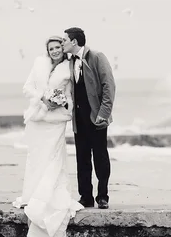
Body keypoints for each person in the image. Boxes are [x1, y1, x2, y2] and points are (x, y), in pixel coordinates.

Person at [12, 36, 84, 237]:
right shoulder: (38, 64)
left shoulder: (69, 66)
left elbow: (70, 94)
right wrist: (42, 97)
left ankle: (50, 195)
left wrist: (61, 102)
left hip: (56, 120)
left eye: (58, 47)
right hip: (37, 119)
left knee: (54, 157)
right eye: (51, 48)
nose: (55, 51)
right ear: (47, 50)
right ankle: (33, 193)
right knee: (36, 158)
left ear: (63, 48)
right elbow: (27, 88)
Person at [61, 27, 116, 209]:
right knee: (82, 158)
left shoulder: (97, 56)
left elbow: (109, 86)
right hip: (79, 118)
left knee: (100, 157)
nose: (63, 44)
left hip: (96, 117)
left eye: (65, 40)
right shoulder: (69, 62)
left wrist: (103, 114)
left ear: (74, 42)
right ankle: (85, 196)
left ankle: (102, 196)